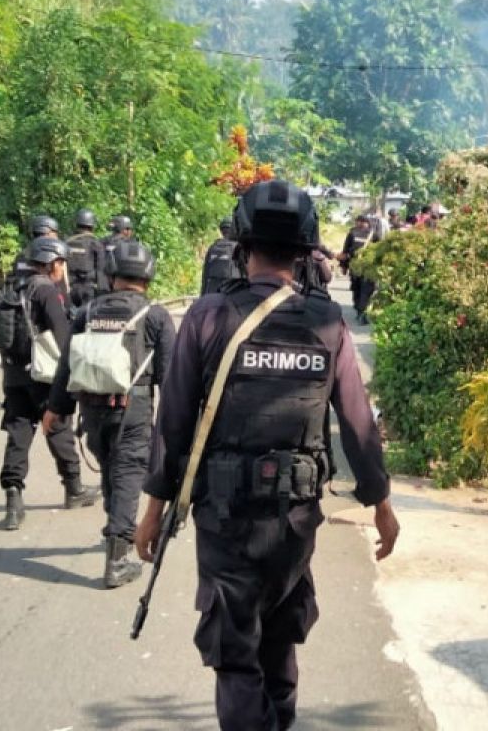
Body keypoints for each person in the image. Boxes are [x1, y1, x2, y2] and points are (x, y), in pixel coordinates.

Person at [133, 179, 399, 731]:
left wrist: (154, 509)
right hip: (295, 521)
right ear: (305, 251)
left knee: (235, 659)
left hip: (226, 519)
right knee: (278, 644)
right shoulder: (328, 324)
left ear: (242, 245)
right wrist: (381, 505)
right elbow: (356, 421)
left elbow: (174, 420)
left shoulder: (206, 317)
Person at [44, 239, 176, 588]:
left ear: (111, 273)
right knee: (128, 476)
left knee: (110, 474)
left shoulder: (87, 312)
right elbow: (171, 377)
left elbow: (65, 366)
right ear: (148, 276)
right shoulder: (155, 316)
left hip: (92, 412)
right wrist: (173, 424)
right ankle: (117, 558)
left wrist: (57, 410)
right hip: (133, 411)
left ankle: (114, 533)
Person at [0, 237, 99, 531]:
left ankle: (13, 501)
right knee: (57, 427)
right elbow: (63, 335)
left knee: (18, 432)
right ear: (52, 262)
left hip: (13, 374)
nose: (63, 269)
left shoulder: (12, 287)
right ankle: (74, 488)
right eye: (61, 263)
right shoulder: (44, 290)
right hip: (41, 375)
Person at [66, 208, 110, 309]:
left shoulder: (66, 243)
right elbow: (101, 271)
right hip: (88, 290)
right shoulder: (96, 244)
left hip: (69, 289)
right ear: (92, 226)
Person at [338, 215, 376, 324]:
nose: (358, 224)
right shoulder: (373, 234)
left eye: (358, 221)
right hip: (367, 267)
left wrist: (343, 266)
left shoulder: (353, 233)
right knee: (364, 289)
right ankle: (361, 310)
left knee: (358, 288)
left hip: (358, 266)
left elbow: (345, 251)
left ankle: (360, 310)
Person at [201, 215, 243, 295]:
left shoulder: (212, 248)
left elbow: (205, 276)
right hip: (233, 294)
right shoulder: (239, 248)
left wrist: (202, 298)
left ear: (221, 230)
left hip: (212, 294)